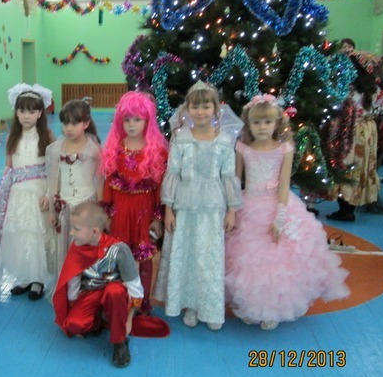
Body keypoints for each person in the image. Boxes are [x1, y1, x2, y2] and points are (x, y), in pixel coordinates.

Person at [225, 95, 350, 329]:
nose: (262, 127)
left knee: (277, 261)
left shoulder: (285, 148)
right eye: (256, 122)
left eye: (267, 122)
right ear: (249, 124)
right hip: (248, 206)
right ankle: (251, 304)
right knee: (249, 260)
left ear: (277, 123)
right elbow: (235, 179)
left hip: (278, 205)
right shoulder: (242, 147)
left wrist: (280, 217)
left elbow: (284, 185)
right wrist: (232, 209)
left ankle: (272, 309)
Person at [153, 81, 242, 331]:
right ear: (188, 109)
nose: (200, 112)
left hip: (213, 207)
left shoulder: (224, 140)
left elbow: (228, 176)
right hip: (185, 205)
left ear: (215, 109)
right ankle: (191, 305)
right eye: (195, 107)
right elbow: (173, 173)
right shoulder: (180, 138)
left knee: (210, 257)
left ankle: (210, 307)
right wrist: (168, 209)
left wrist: (232, 210)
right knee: (188, 254)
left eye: (206, 106)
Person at [53, 202, 144, 368]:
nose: (72, 233)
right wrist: (75, 307)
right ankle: (98, 320)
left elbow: (135, 287)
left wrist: (129, 319)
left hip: (114, 294)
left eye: (76, 229)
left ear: (94, 231)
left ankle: (120, 342)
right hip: (90, 293)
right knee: (74, 324)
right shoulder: (77, 248)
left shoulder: (119, 250)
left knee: (114, 291)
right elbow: (73, 280)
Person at [100, 91, 168, 314]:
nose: (131, 125)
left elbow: (159, 186)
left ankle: (143, 302)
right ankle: (120, 299)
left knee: (145, 258)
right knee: (119, 256)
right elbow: (108, 182)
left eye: (137, 119)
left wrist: (158, 218)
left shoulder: (156, 150)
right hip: (120, 211)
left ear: (147, 121)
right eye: (127, 120)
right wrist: (107, 213)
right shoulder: (115, 148)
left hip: (144, 211)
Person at [0, 83, 56, 300]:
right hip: (18, 193)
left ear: (40, 113)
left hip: (39, 191)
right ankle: (25, 276)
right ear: (16, 112)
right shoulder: (12, 136)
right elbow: (9, 167)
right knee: (21, 233)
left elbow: (54, 168)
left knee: (37, 234)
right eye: (22, 110)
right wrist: (5, 193)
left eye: (32, 111)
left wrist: (49, 193)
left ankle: (38, 279)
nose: (27, 116)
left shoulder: (47, 136)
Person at [46, 98, 103, 275]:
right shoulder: (56, 148)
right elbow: (54, 180)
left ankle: (85, 283)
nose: (68, 128)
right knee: (65, 247)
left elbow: (100, 180)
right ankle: (66, 282)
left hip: (86, 205)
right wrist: (52, 210)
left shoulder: (93, 149)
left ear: (86, 123)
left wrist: (100, 210)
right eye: (65, 123)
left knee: (84, 248)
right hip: (64, 206)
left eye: (74, 123)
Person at [327, 55, 383, 221]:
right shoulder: (375, 88)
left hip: (350, 129)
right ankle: (351, 205)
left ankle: (345, 208)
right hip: (369, 131)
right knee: (362, 167)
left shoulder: (347, 89)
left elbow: (337, 107)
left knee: (346, 163)